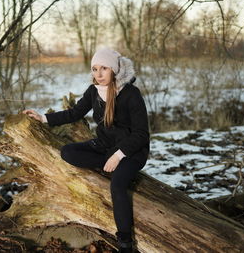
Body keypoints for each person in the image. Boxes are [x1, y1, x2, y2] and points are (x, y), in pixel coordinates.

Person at [22, 48, 150, 253]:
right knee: (68, 152)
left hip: (132, 152)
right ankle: (107, 163)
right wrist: (44, 118)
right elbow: (75, 113)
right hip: (105, 147)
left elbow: (141, 134)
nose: (98, 74)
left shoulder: (131, 94)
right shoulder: (93, 91)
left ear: (115, 70)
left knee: (117, 185)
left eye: (104, 68)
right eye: (95, 69)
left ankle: (125, 244)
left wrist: (118, 157)